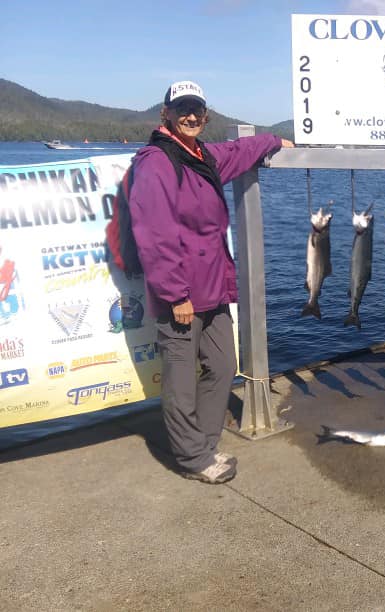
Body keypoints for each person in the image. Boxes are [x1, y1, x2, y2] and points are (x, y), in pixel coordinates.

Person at [128, 80, 294, 484]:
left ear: (205, 116)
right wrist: (175, 295)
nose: (190, 115)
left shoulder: (201, 155)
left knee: (223, 366)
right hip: (181, 294)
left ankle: (199, 443)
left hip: (214, 288)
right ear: (165, 114)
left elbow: (238, 151)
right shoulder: (156, 163)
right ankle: (192, 459)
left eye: (196, 109)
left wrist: (274, 141)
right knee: (181, 380)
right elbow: (155, 234)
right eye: (181, 108)